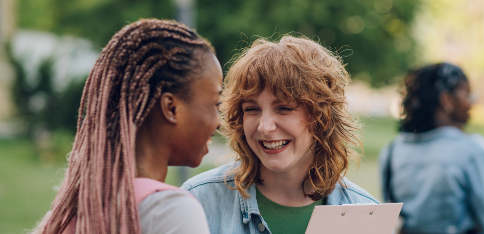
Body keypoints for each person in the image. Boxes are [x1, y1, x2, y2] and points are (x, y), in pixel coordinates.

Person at [32, 19, 221, 234]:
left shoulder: (72, 212)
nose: (218, 122)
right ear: (171, 108)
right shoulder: (170, 211)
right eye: (215, 103)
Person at [181, 36, 379, 234]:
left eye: (284, 108)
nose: (264, 127)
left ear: (323, 116)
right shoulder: (197, 201)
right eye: (252, 109)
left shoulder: (368, 216)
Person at [379, 63, 484, 234]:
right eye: (468, 95)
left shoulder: (392, 151)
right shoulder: (470, 152)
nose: (472, 103)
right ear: (446, 100)